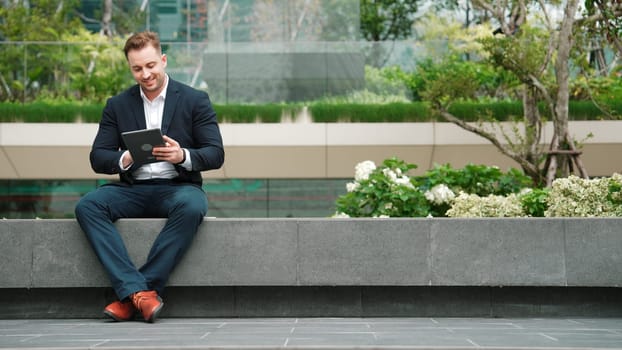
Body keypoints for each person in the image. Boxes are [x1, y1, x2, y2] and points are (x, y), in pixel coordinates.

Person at [75, 31, 224, 323]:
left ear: (163, 60)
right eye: (137, 68)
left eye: (151, 65)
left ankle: (133, 294)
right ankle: (142, 295)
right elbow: (97, 157)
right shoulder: (117, 105)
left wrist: (183, 156)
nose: (146, 74)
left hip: (179, 188)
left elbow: (215, 153)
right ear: (130, 68)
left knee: (193, 206)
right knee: (88, 206)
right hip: (133, 189)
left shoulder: (195, 100)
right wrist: (125, 158)